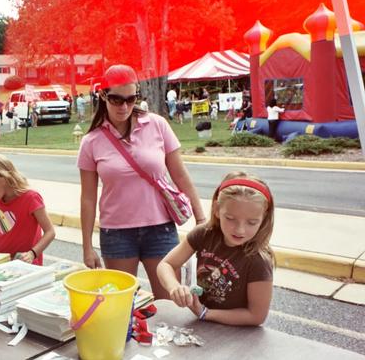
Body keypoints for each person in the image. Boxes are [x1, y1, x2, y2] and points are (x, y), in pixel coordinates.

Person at [77, 64, 206, 300]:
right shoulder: (91, 141)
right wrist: (87, 246)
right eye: (116, 99)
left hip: (160, 229)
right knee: (123, 304)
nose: (124, 106)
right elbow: (88, 197)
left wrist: (201, 218)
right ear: (103, 95)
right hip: (116, 233)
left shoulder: (157, 124)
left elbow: (180, 175)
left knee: (170, 301)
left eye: (131, 98)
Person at [157, 171, 274, 326]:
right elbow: (166, 265)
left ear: (264, 218)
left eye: (251, 222)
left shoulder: (259, 261)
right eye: (230, 219)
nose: (240, 230)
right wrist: (174, 287)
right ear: (217, 210)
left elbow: (256, 316)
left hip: (237, 335)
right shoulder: (203, 234)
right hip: (202, 324)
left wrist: (206, 313)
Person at [0, 152, 56, 265]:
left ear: (1, 179)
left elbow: (50, 232)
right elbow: (3, 228)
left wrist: (32, 254)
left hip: (27, 265)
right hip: (2, 262)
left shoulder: (31, 198)